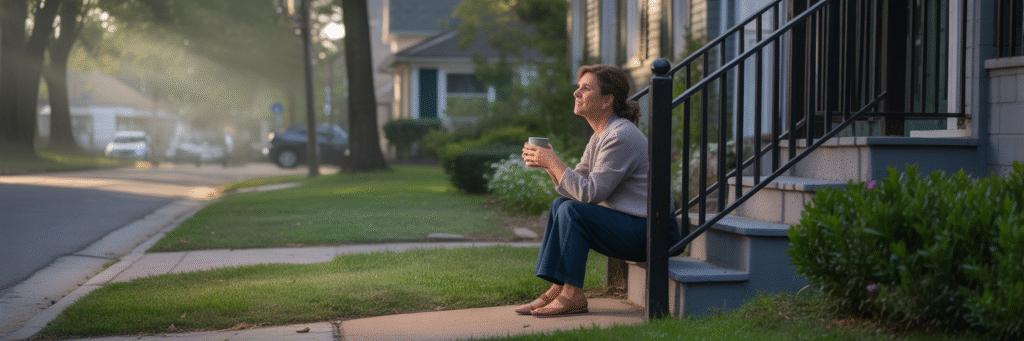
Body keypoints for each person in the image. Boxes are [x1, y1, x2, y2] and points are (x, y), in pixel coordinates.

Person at [516, 65, 682, 317]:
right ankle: (558, 288)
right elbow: (578, 184)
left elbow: (590, 193)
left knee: (572, 210)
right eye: (578, 86)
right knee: (560, 205)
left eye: (586, 88)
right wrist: (547, 165)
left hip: (654, 232)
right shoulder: (601, 135)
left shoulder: (621, 136)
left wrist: (552, 161)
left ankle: (573, 295)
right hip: (633, 225)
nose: (576, 93)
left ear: (606, 101)